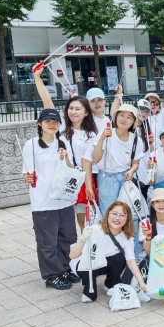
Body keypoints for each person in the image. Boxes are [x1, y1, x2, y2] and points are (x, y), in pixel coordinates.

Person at [33, 66, 98, 230]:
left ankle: (85, 244)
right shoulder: (61, 125)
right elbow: (48, 102)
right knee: (63, 217)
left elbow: (87, 161)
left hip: (81, 178)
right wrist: (37, 78)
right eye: (71, 108)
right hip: (60, 176)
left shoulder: (91, 134)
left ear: (86, 113)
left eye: (78, 109)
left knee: (84, 218)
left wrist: (88, 186)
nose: (73, 112)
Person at [23, 108, 79, 290]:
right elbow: (27, 172)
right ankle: (52, 275)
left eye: (55, 122)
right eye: (48, 121)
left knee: (67, 237)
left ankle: (65, 269)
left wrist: (65, 157)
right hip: (43, 201)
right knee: (47, 241)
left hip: (64, 199)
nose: (52, 124)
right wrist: (28, 177)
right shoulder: (31, 145)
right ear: (40, 123)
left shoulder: (63, 142)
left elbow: (71, 168)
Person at [71, 201, 147, 302]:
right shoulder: (95, 230)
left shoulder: (127, 237)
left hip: (103, 263)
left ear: (127, 219)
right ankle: (89, 289)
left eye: (122, 215)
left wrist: (141, 283)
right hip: (85, 265)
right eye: (114, 214)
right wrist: (83, 238)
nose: (117, 218)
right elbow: (72, 256)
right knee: (90, 297)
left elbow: (131, 261)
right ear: (108, 214)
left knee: (120, 257)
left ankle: (111, 284)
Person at [86, 104, 144, 215]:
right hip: (106, 177)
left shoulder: (136, 140)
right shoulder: (106, 134)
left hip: (125, 178)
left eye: (129, 117)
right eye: (121, 115)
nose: (124, 119)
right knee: (108, 212)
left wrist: (131, 171)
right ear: (116, 117)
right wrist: (102, 139)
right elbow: (95, 159)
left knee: (126, 212)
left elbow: (136, 163)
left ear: (133, 122)